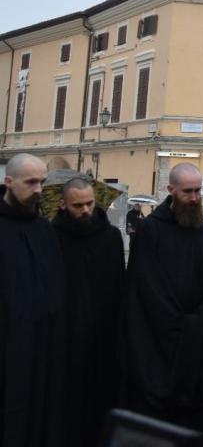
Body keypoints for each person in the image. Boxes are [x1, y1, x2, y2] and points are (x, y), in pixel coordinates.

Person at [121, 163, 203, 446]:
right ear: (171, 190)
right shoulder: (150, 231)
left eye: (199, 191)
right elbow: (146, 286)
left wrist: (200, 320)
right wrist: (178, 323)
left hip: (200, 343)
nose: (195, 197)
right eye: (188, 191)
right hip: (159, 345)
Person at [53, 176, 125, 447]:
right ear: (63, 205)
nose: (85, 210)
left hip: (104, 341)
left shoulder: (110, 237)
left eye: (90, 204)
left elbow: (119, 285)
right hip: (65, 342)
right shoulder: (53, 236)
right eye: (78, 205)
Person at [0, 153, 66, 447]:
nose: (39, 189)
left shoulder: (45, 231)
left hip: (39, 355)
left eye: (42, 181)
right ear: (9, 182)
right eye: (31, 182)